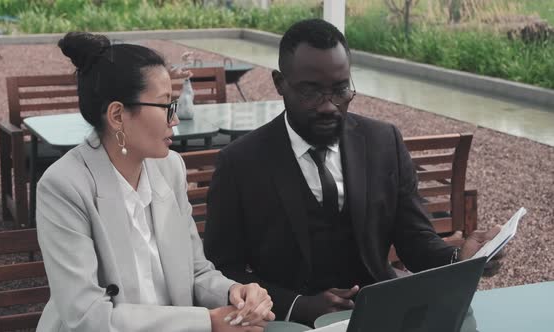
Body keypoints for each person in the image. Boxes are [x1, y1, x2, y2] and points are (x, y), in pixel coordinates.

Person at [203, 19, 500, 326]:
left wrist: (459, 258)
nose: (329, 106)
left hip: (380, 313)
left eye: (340, 89)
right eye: (311, 92)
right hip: (285, 321)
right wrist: (297, 305)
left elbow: (415, 239)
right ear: (280, 83)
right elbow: (222, 268)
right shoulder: (240, 163)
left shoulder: (384, 142)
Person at [36, 32, 275, 332]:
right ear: (118, 115)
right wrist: (207, 322)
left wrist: (233, 292)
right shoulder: (63, 187)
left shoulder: (169, 168)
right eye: (165, 106)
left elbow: (196, 272)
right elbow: (87, 317)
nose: (174, 119)